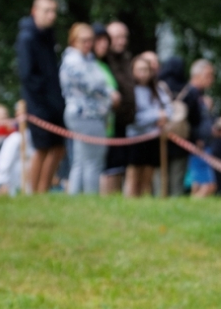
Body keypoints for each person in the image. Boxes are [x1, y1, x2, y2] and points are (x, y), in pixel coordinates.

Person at [59, 22, 117, 195]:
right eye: (83, 40)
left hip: (89, 114)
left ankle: (77, 198)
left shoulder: (87, 60)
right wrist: (110, 94)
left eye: (90, 40)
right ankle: (91, 198)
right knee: (93, 161)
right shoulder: (73, 61)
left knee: (81, 161)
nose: (88, 44)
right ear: (73, 41)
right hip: (85, 115)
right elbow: (91, 85)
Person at [16, 0, 66, 194]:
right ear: (34, 11)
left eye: (53, 11)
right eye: (47, 10)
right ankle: (33, 192)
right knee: (42, 148)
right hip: (39, 103)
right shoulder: (27, 37)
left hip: (53, 102)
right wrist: (45, 97)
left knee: (58, 147)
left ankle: (42, 190)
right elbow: (27, 74)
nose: (51, 15)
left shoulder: (47, 36)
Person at [102, 22, 135, 195]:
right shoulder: (103, 59)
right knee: (110, 167)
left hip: (125, 122)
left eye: (124, 37)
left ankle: (115, 202)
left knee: (120, 166)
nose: (122, 41)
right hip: (109, 122)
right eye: (117, 37)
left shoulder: (125, 59)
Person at [123, 54, 163, 197]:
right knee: (134, 174)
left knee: (148, 173)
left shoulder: (157, 90)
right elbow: (134, 117)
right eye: (139, 69)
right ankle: (130, 201)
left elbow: (168, 110)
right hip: (135, 137)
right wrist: (156, 116)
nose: (143, 73)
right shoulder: (130, 91)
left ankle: (144, 204)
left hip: (152, 137)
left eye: (146, 69)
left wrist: (161, 115)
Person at [179, 60, 217, 198]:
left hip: (201, 144)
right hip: (198, 145)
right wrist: (196, 139)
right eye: (208, 75)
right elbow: (189, 120)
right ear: (197, 75)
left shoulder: (199, 95)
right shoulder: (191, 93)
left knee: (197, 184)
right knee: (209, 185)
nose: (211, 79)